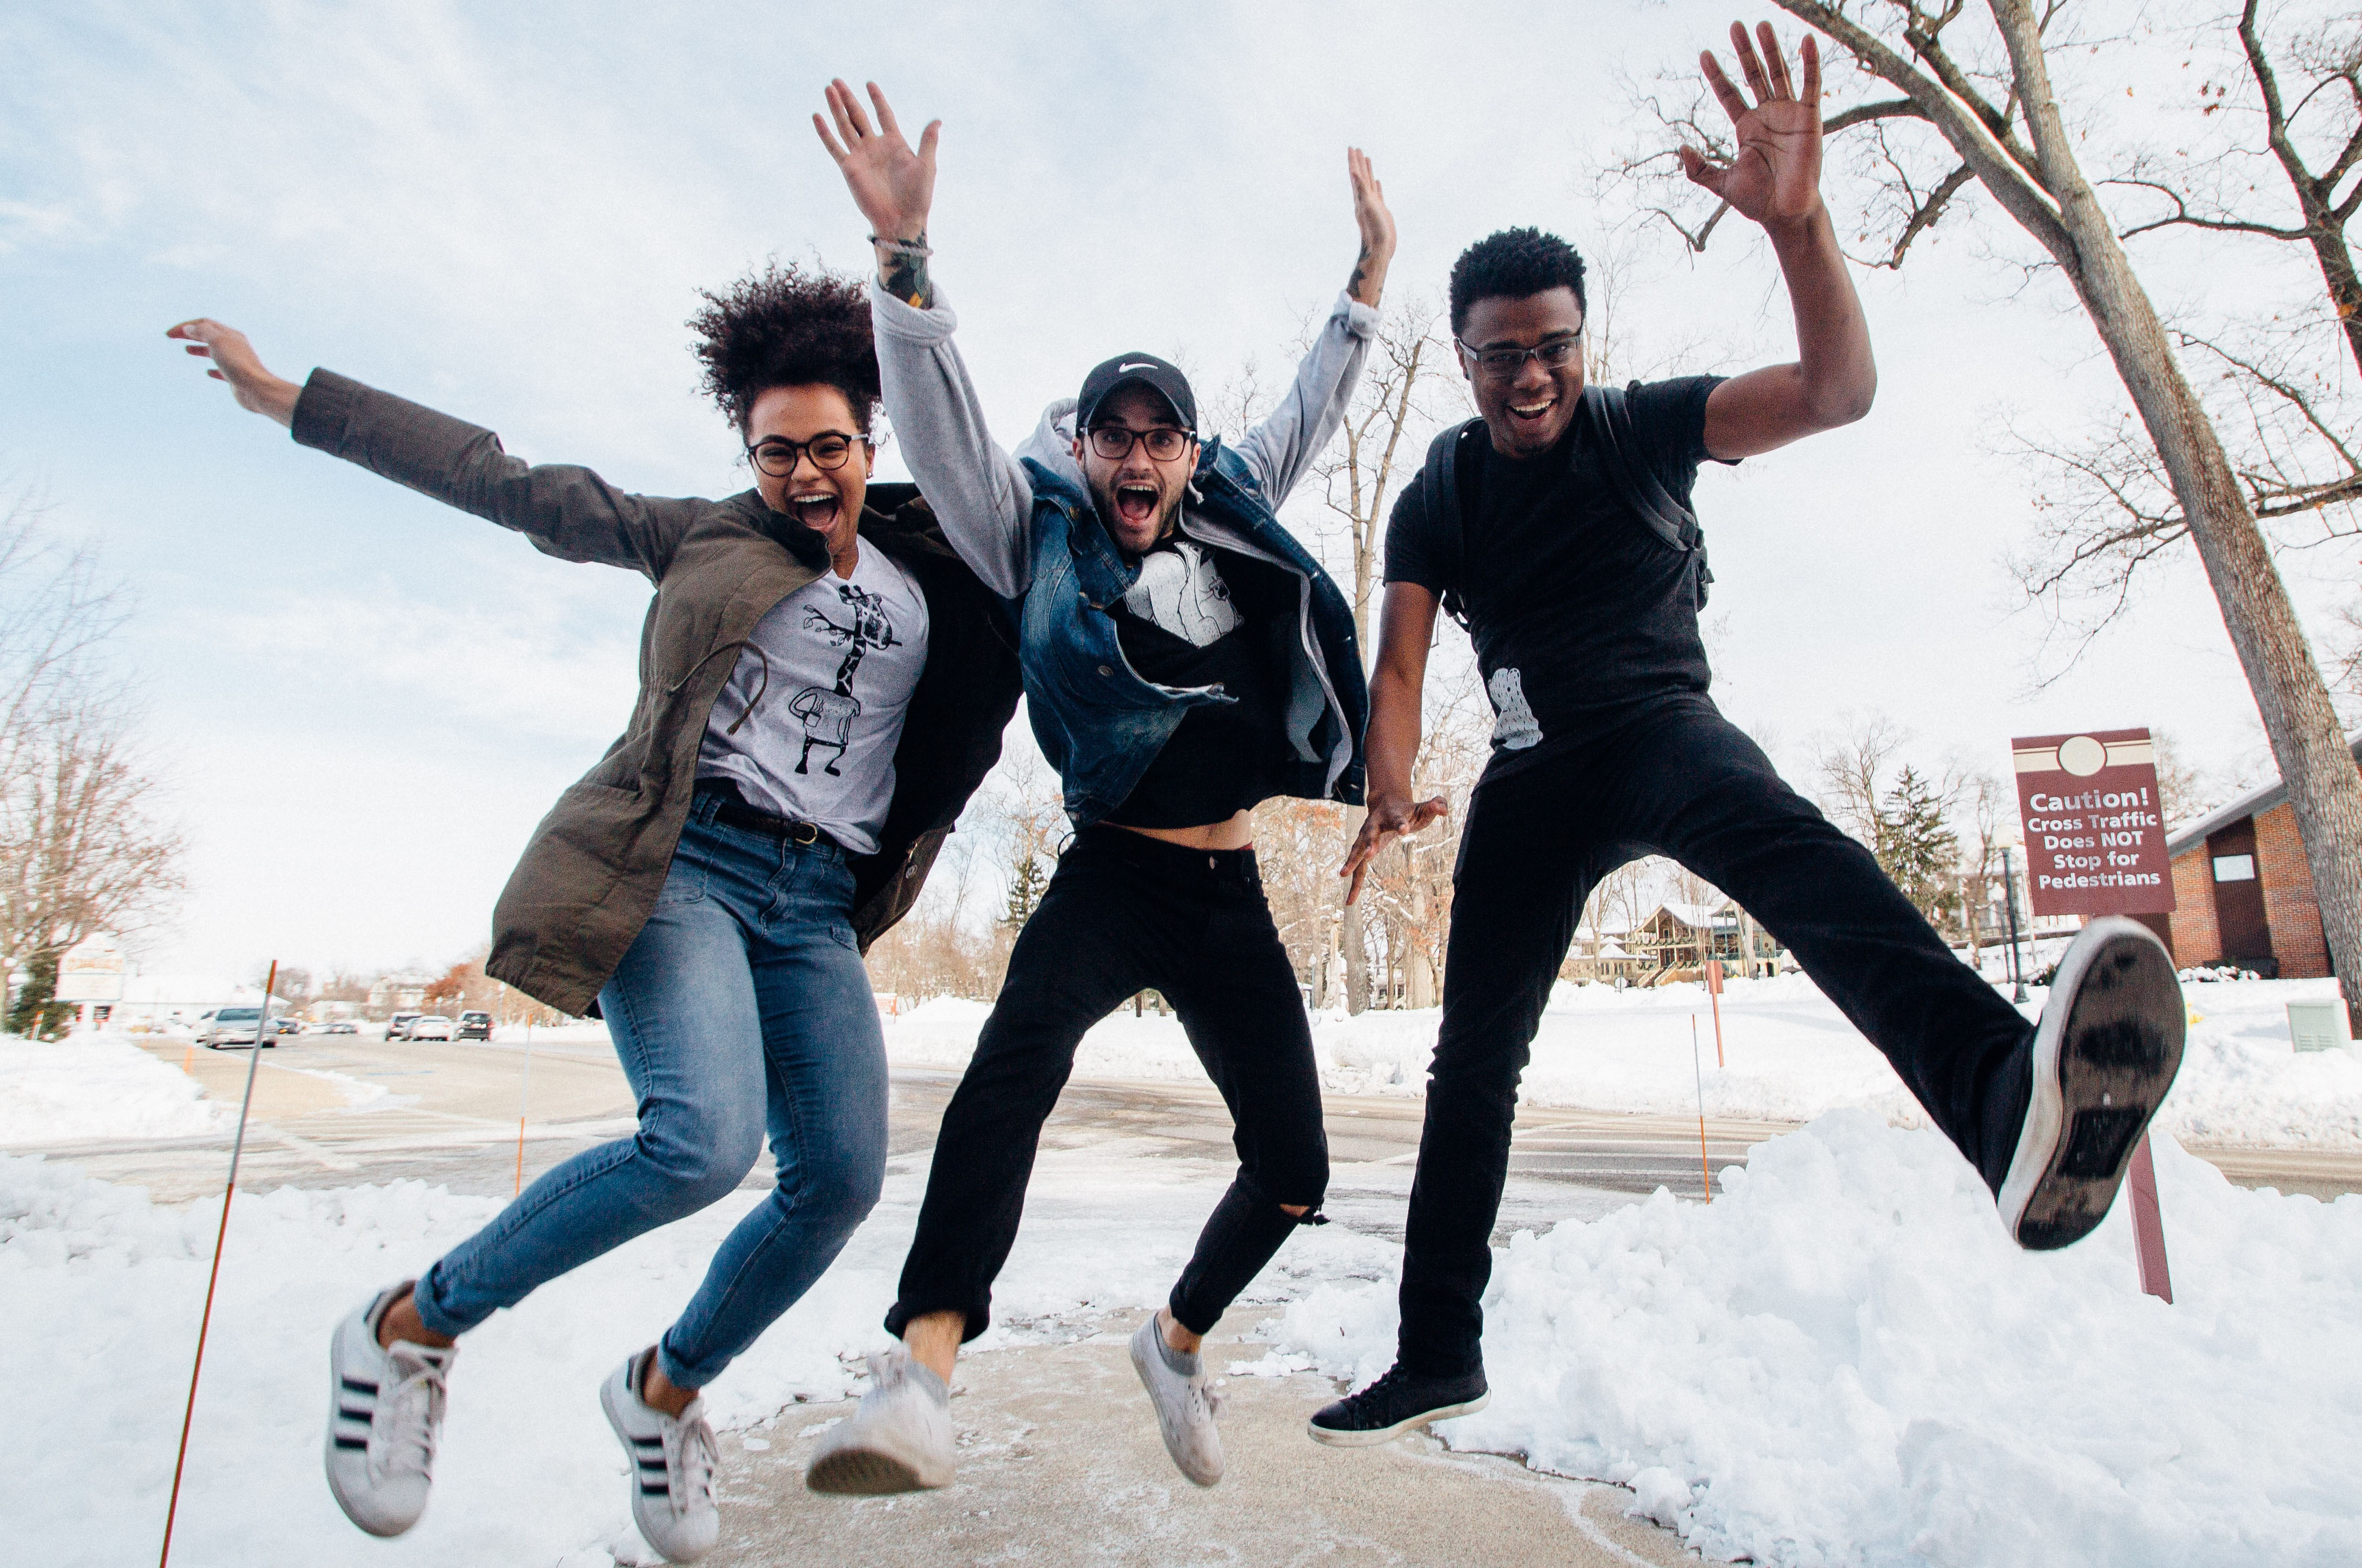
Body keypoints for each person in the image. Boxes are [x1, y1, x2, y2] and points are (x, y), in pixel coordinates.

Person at [1316, 21, 2186, 1447]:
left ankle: (2002, 1104)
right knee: (1473, 1057)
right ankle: (1435, 1346)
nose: (1526, 377)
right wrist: (1391, 783)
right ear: (1460, 357)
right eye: (1496, 358)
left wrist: (1797, 228)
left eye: (1550, 348)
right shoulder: (1442, 487)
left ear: (1580, 343)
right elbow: (1400, 651)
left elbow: (1836, 392)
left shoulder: (1648, 425)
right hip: (1533, 782)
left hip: (1662, 729)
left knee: (1801, 859)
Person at [167, 263, 1020, 1562]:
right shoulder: (700, 535)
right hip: (679, 864)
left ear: (869, 439)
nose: (804, 475)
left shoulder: (936, 564)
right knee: (700, 1140)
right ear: (748, 453)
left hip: (813, 905)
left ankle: (662, 1391)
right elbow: (502, 480)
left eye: (829, 446)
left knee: (839, 1179)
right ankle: (411, 1324)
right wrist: (294, 399)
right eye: (775, 451)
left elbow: (1035, 520)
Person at [799, 80, 1389, 1493]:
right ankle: (921, 1369)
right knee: (1008, 1079)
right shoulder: (1034, 533)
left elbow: (1312, 405)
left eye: (1158, 437)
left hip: (1225, 880)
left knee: (1296, 1166)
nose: (1136, 457)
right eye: (1113, 436)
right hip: (1111, 869)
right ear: (1085, 450)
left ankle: (1174, 1339)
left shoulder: (1232, 501)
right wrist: (905, 271)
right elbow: (940, 430)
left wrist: (1367, 279)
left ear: (1187, 453)